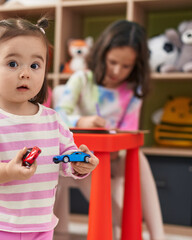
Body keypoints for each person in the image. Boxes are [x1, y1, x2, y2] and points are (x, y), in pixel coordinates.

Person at [0, 9, 99, 240]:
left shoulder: (52, 120)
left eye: (35, 66)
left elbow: (63, 157)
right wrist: (7, 171)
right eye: (13, 63)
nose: (25, 74)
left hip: (41, 221)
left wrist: (78, 162)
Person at [54, 20, 165, 240]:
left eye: (126, 66)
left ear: (137, 65)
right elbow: (58, 115)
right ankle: (127, 229)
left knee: (139, 158)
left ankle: (157, 235)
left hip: (115, 155)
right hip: (83, 157)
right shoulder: (82, 79)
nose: (117, 71)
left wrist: (115, 146)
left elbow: (129, 131)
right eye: (113, 61)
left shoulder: (133, 90)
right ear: (102, 53)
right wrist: (82, 120)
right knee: (96, 167)